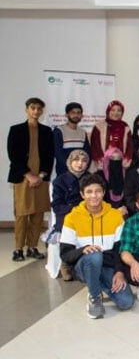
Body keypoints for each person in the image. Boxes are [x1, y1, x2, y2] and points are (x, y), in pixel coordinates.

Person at [60, 174, 134, 318]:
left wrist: (119, 272)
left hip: (108, 265)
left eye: (98, 191)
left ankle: (95, 283)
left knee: (126, 302)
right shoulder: (72, 218)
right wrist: (82, 250)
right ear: (82, 194)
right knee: (94, 255)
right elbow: (65, 254)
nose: (94, 195)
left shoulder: (115, 216)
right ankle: (95, 297)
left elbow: (122, 249)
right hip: (84, 265)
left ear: (104, 193)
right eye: (89, 192)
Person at [7, 97, 54, 261]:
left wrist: (41, 175)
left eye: (39, 109)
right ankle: (18, 249)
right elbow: (13, 155)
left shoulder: (47, 131)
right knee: (21, 214)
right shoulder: (16, 130)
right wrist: (28, 175)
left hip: (41, 179)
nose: (36, 111)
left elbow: (50, 156)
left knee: (38, 214)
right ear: (27, 109)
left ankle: (33, 247)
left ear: (42, 111)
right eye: (33, 108)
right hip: (22, 178)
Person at [50, 149, 90, 280]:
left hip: (89, 212)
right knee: (68, 228)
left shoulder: (91, 178)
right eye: (76, 160)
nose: (80, 164)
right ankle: (66, 262)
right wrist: (74, 209)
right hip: (69, 214)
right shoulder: (60, 181)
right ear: (69, 162)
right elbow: (57, 206)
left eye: (84, 161)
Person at [89, 100, 133, 171]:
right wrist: (100, 159)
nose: (116, 113)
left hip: (120, 165)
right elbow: (94, 145)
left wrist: (127, 158)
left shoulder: (125, 127)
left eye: (119, 110)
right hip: (102, 165)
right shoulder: (99, 126)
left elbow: (129, 146)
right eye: (113, 110)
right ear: (108, 111)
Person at [53, 102, 90, 176]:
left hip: (81, 173)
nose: (76, 115)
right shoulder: (59, 131)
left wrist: (82, 167)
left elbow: (87, 153)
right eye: (73, 112)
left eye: (78, 113)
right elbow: (58, 154)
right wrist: (73, 168)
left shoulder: (83, 132)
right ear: (66, 115)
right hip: (64, 173)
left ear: (82, 116)